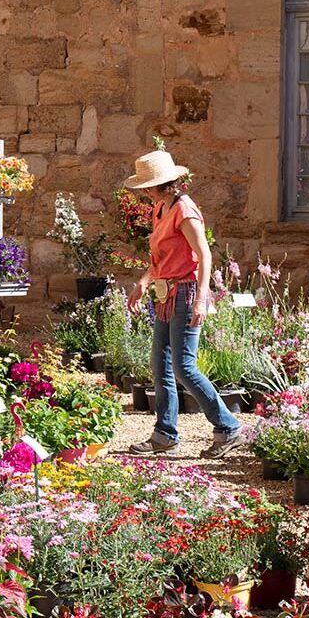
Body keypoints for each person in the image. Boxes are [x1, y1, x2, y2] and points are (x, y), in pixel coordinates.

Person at [124, 150, 242, 458]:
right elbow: (162, 259)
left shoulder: (185, 211)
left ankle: (228, 427)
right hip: (166, 293)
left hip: (187, 293)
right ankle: (165, 434)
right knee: (160, 364)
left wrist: (202, 300)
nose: (145, 191)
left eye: (149, 185)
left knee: (184, 367)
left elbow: (204, 256)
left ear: (165, 184)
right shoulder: (161, 208)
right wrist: (143, 282)